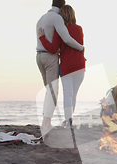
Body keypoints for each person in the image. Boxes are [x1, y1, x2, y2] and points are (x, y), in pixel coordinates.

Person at [36, 0, 85, 131]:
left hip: (65, 65)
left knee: (62, 93)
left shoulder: (46, 21)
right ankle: (68, 121)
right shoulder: (79, 28)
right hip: (80, 65)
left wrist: (42, 38)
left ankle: (62, 122)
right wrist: (81, 48)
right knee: (73, 95)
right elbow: (72, 42)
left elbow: (55, 47)